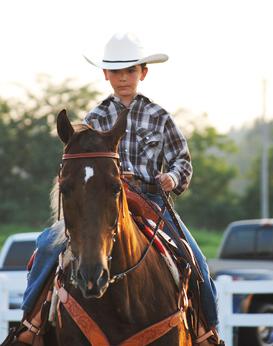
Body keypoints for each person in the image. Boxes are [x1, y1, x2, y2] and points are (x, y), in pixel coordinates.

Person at [8, 32, 220, 345]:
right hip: (100, 201)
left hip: (150, 201)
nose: (124, 78)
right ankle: (30, 324)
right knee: (46, 247)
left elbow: (182, 161)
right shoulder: (95, 117)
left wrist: (172, 179)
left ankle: (207, 332)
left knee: (195, 258)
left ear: (143, 73)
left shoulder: (159, 117)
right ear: (106, 75)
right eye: (117, 72)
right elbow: (82, 166)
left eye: (131, 70)